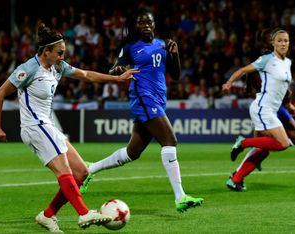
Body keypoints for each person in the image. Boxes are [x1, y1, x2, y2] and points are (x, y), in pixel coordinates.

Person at [0, 23, 138, 233]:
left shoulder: (57, 67)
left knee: (81, 173)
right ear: (46, 51)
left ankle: (48, 215)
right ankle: (84, 213)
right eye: (59, 53)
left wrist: (117, 78)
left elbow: (86, 75)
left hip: (47, 125)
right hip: (34, 127)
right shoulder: (28, 69)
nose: (63, 56)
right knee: (65, 171)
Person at [79, 8, 204, 213]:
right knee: (170, 141)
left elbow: (176, 74)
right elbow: (114, 68)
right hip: (143, 98)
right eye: (141, 23)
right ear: (136, 27)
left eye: (148, 22)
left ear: (154, 24)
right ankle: (180, 196)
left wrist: (176, 55)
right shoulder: (130, 47)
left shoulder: (164, 45)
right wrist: (119, 70)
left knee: (132, 152)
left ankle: (89, 169)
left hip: (158, 99)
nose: (145, 25)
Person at [221, 28, 293, 192]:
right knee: (283, 143)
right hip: (263, 108)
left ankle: (236, 179)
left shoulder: (287, 62)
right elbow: (243, 70)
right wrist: (229, 83)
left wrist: (289, 103)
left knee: (263, 151)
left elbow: (282, 87)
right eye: (279, 40)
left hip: (270, 110)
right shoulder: (267, 59)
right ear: (273, 43)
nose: (283, 43)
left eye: (286, 40)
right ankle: (243, 142)